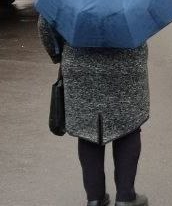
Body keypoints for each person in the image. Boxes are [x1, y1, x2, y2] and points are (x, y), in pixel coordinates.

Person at [38, 17, 149, 206]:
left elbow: (45, 23)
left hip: (79, 60)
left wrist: (58, 54)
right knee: (128, 126)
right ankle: (126, 198)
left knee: (87, 128)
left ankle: (95, 199)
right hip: (127, 61)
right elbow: (146, 18)